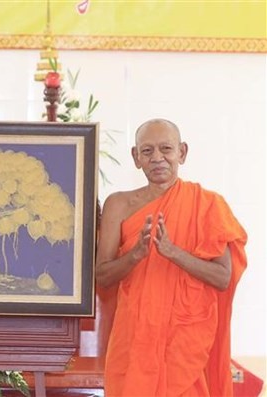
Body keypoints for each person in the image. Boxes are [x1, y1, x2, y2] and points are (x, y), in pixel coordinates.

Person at [95, 118, 247, 396]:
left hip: (186, 339)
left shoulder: (208, 204)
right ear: (135, 157)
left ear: (182, 152)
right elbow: (102, 276)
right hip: (135, 336)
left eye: (166, 148)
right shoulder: (118, 204)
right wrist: (135, 255)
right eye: (147, 151)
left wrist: (173, 252)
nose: (157, 158)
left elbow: (222, 277)